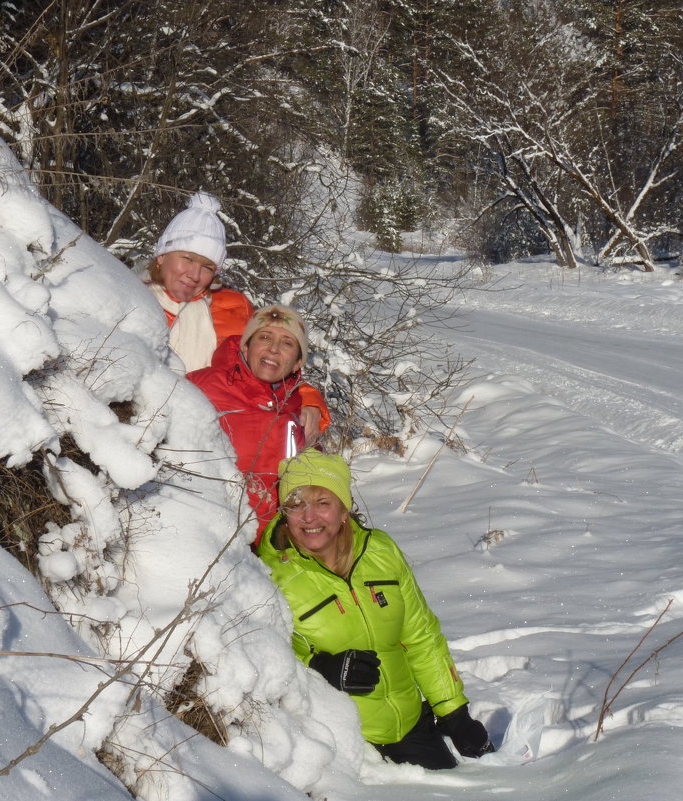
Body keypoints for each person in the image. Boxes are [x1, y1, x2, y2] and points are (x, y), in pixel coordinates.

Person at [257, 449, 495, 770]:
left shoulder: (381, 551)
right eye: (296, 505)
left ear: (344, 510)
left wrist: (453, 712)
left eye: (323, 503)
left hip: (409, 726)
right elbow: (266, 659)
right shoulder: (268, 573)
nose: (309, 517)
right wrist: (321, 669)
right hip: (338, 742)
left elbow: (420, 636)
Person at [145, 192, 329, 443]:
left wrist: (309, 402)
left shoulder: (234, 308)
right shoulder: (133, 300)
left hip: (220, 439)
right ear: (162, 256)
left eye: (207, 267)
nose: (195, 274)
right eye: (187, 258)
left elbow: (272, 367)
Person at [187, 305, 310, 545]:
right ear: (246, 347)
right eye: (264, 337)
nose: (273, 349)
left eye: (287, 343)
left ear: (297, 363)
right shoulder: (203, 385)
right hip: (208, 535)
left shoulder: (295, 412)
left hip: (269, 546)